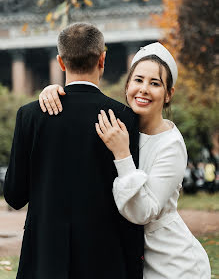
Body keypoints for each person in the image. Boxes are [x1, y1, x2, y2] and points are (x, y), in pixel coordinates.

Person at [40, 42, 211, 279]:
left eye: (155, 83)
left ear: (168, 94)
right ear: (127, 85)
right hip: (126, 259)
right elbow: (81, 106)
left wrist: (122, 155)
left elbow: (144, 212)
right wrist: (52, 92)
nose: (143, 89)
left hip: (172, 264)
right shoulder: (117, 125)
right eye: (138, 80)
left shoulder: (170, 144)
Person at [4, 23, 144, 279]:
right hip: (104, 258)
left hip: (44, 258)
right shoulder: (125, 117)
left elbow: (14, 196)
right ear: (102, 59)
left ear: (60, 62)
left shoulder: (30, 115)